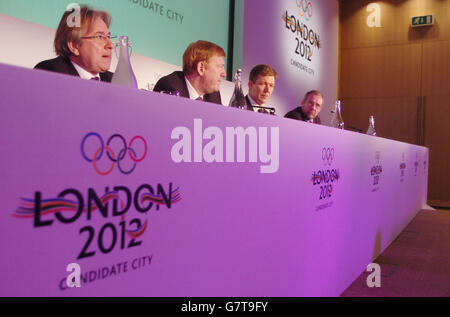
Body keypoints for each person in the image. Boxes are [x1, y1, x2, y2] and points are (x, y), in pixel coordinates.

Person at [34, 5, 114, 82]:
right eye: (100, 37)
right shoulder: (50, 72)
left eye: (108, 36)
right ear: (74, 46)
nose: (110, 45)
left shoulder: (114, 80)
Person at [153, 40, 226, 104]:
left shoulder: (213, 95)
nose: (224, 74)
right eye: (219, 66)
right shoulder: (169, 87)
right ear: (201, 68)